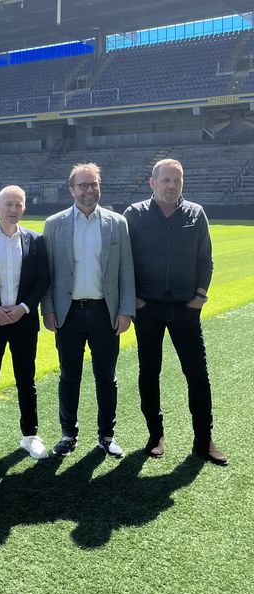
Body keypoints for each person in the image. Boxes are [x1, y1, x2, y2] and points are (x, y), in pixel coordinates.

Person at [123, 159, 228, 465]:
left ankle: (204, 440)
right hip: (148, 308)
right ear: (152, 183)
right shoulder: (135, 214)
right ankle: (155, 435)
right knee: (149, 373)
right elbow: (123, 261)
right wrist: (137, 301)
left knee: (197, 374)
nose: (172, 185)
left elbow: (205, 259)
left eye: (177, 180)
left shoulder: (195, 213)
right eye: (166, 180)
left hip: (186, 308)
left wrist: (200, 296)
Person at [41, 163, 135, 458]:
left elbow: (126, 271)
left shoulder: (116, 223)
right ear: (71, 190)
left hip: (104, 312)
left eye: (93, 184)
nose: (89, 190)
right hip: (68, 314)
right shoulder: (54, 224)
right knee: (69, 376)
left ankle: (106, 436)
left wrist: (126, 310)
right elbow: (48, 272)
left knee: (106, 376)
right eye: (83, 185)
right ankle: (68, 434)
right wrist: (48, 309)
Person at [0, 186, 50, 460]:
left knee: (26, 379)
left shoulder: (36, 241)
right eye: (8, 204)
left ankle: (30, 435)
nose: (13, 209)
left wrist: (24, 308)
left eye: (18, 205)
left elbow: (43, 279)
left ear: (24, 208)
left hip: (23, 321)